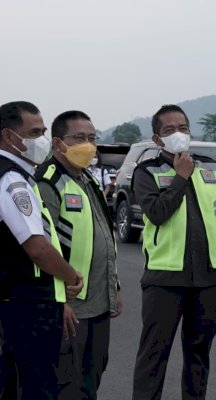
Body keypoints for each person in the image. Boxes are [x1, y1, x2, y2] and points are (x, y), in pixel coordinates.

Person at [132, 104, 216, 400]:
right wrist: (181, 176)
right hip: (164, 279)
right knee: (154, 357)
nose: (178, 134)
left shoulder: (210, 168)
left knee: (198, 355)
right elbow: (157, 213)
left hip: (209, 280)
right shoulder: (146, 172)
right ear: (157, 139)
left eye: (182, 128)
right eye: (169, 130)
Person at [35, 110, 121, 399]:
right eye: (79, 138)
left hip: (98, 306)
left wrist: (114, 289)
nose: (88, 144)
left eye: (92, 138)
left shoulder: (87, 180)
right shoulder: (48, 182)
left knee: (91, 378)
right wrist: (57, 302)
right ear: (59, 143)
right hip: (70, 309)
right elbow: (43, 248)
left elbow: (104, 238)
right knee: (67, 385)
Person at [0, 101, 83, 399]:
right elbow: (36, 246)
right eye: (34, 133)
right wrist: (71, 275)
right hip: (27, 304)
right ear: (10, 137)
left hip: (19, 299)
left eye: (43, 131)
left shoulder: (19, 175)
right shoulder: (11, 179)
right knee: (37, 387)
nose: (42, 140)